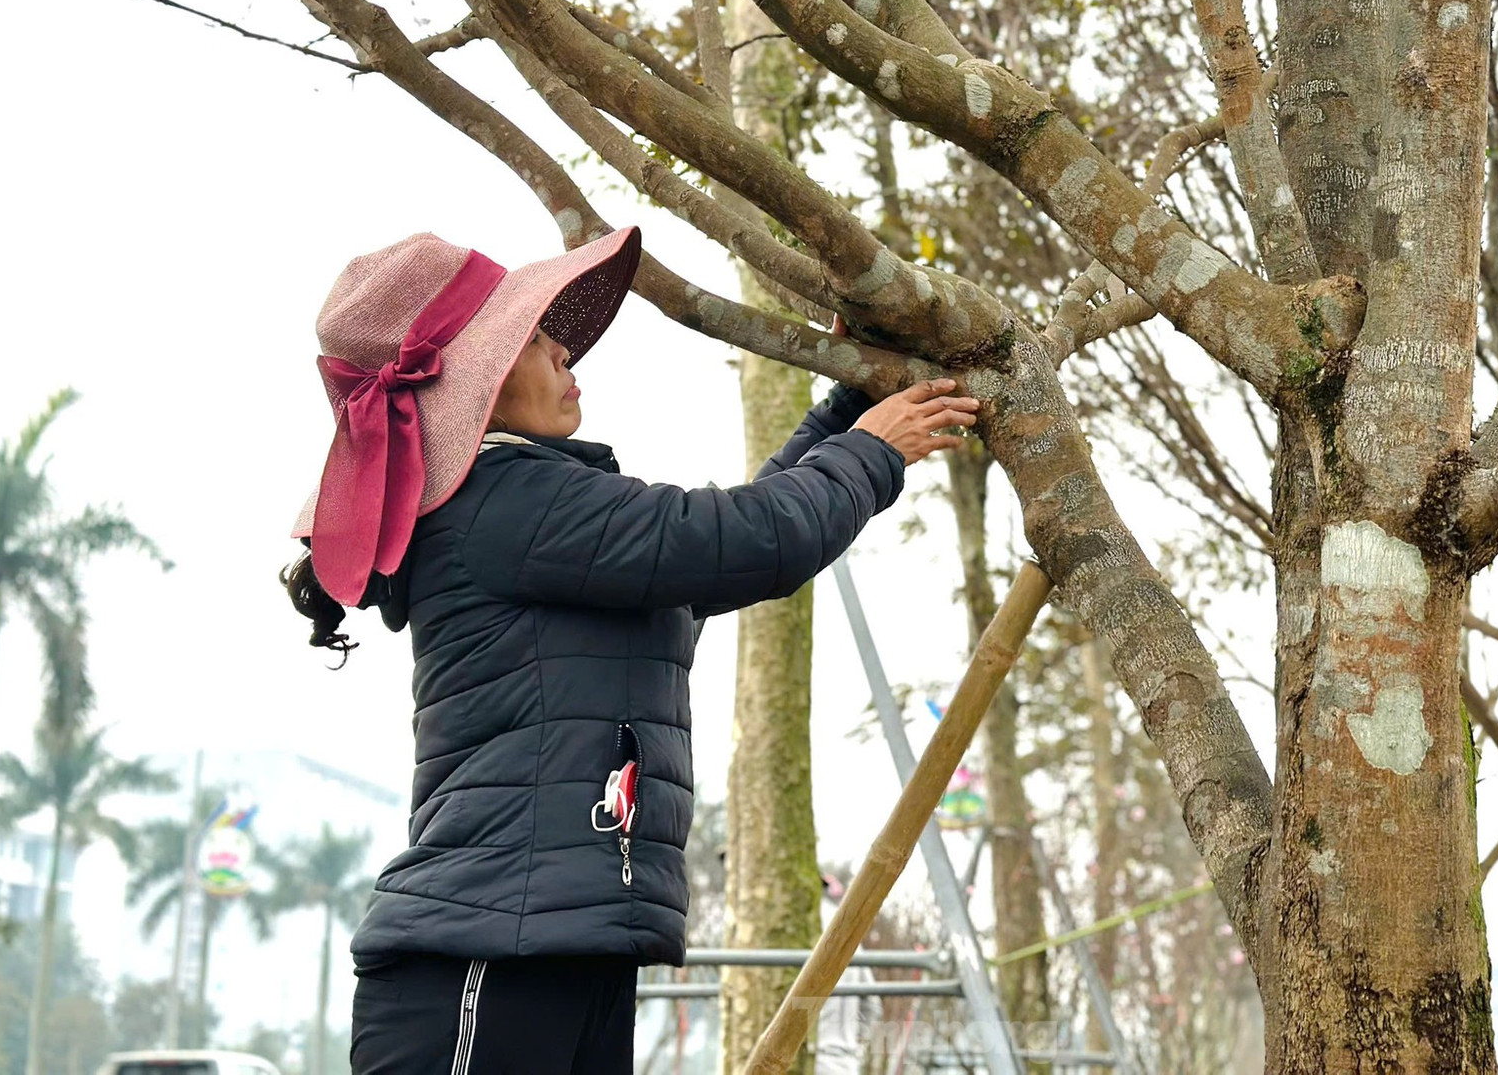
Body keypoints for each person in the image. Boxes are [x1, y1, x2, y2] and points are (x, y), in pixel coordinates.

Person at [280, 230, 978, 1075]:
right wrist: (873, 448)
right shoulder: (508, 503)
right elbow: (742, 537)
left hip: (561, 948)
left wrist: (845, 406)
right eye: (537, 339)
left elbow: (719, 546)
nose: (565, 349)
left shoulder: (527, 510)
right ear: (482, 384)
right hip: (488, 958)